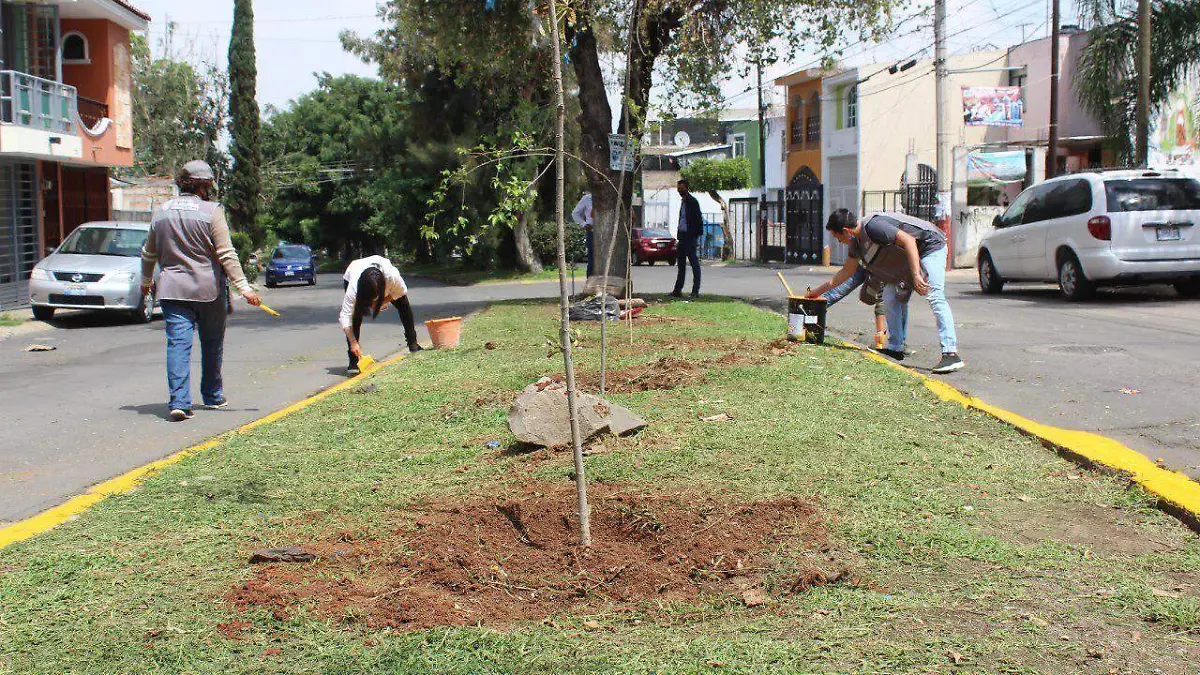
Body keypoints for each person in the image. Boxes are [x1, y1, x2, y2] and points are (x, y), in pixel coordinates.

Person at [140, 160, 262, 422]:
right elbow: (226, 253)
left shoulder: (161, 212)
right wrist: (244, 288)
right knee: (212, 342)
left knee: (178, 345)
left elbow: (149, 253)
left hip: (172, 290)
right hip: (208, 290)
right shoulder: (211, 211)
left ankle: (180, 403)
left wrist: (146, 281)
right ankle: (213, 395)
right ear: (204, 187)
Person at [807, 209, 964, 374]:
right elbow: (845, 273)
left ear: (846, 231)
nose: (838, 241)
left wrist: (916, 274)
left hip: (930, 246)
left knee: (934, 295)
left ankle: (951, 353)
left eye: (837, 237)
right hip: (909, 256)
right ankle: (896, 348)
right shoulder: (857, 244)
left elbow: (909, 240)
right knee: (889, 297)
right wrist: (816, 293)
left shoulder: (874, 226)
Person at [340, 255, 423, 376]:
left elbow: (402, 291)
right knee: (356, 317)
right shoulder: (353, 287)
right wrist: (353, 342)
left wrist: (383, 302)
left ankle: (413, 343)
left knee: (404, 305)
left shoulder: (392, 276)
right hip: (353, 270)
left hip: (384, 284)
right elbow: (345, 316)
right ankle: (354, 360)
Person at [670, 179, 703, 299]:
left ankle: (695, 291)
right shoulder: (683, 202)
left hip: (690, 237)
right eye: (678, 189)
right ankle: (677, 290)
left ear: (687, 188)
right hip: (682, 237)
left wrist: (695, 236)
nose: (680, 191)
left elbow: (698, 220)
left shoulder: (692, 202)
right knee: (681, 265)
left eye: (682, 188)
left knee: (694, 264)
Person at [570, 192, 594, 276]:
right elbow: (575, 213)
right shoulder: (587, 198)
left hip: (607, 233)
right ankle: (590, 281)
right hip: (592, 232)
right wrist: (584, 224)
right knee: (593, 260)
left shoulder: (608, 197)